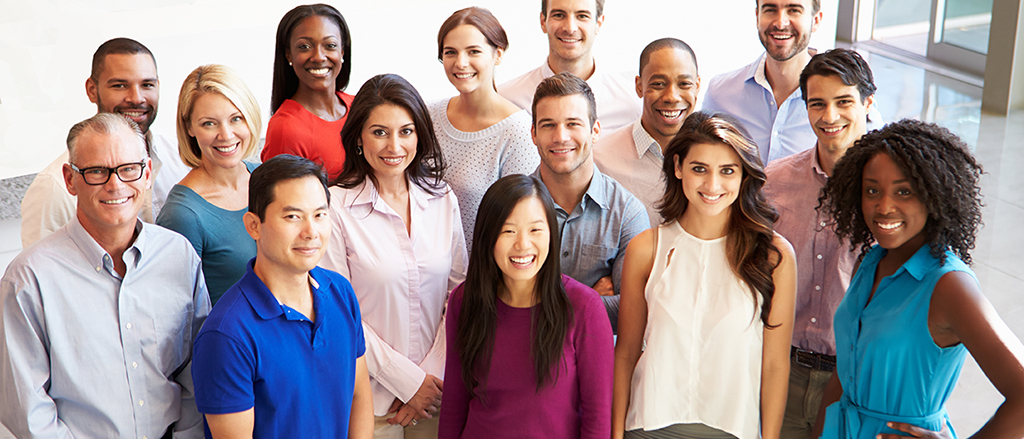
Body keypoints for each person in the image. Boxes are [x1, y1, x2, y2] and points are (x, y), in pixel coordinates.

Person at [0, 113, 210, 438]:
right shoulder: (28, 280)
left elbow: (195, 374)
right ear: (70, 179)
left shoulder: (179, 256)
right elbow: (28, 410)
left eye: (129, 169)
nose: (115, 185)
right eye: (97, 171)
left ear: (148, 173)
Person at [813, 119, 1024, 438]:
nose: (884, 207)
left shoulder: (949, 285)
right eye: (872, 190)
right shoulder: (869, 264)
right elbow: (846, 373)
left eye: (904, 191)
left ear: (933, 196)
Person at [613, 111, 797, 439]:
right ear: (678, 168)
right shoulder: (646, 249)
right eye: (700, 169)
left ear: (744, 176)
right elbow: (626, 352)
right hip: (647, 427)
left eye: (727, 171)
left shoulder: (773, 257)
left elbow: (775, 365)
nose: (712, 185)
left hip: (732, 430)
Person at [320, 73, 468, 438]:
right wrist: (406, 381)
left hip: (438, 393)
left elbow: (460, 294)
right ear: (358, 137)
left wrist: (427, 380)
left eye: (406, 131)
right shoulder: (334, 207)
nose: (394, 145)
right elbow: (339, 313)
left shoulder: (442, 198)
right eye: (379, 132)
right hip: (367, 401)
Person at [191, 154, 373, 439]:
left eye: (319, 215)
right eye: (292, 217)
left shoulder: (340, 292)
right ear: (253, 225)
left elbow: (359, 397)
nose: (310, 232)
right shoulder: (226, 335)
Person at [438, 174, 614, 439]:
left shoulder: (584, 307)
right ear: (488, 236)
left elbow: (597, 419)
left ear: (551, 234)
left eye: (535, 230)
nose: (523, 245)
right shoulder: (465, 301)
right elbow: (454, 401)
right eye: (508, 231)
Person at [761, 48, 875, 438]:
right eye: (817, 104)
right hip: (782, 369)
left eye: (843, 102)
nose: (829, 117)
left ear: (868, 103)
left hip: (854, 378)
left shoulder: (892, 192)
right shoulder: (773, 182)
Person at [20, 37, 190, 248]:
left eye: (147, 84)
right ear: (92, 90)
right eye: (120, 85)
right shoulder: (54, 186)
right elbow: (43, 272)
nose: (136, 98)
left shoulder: (182, 158)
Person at [529, 72, 649, 333]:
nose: (561, 137)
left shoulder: (627, 213)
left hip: (595, 368)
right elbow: (494, 301)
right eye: (548, 125)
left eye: (573, 124)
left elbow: (630, 312)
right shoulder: (510, 206)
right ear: (533, 133)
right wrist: (589, 297)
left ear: (595, 130)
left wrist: (537, 302)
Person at [430, 7, 540, 247]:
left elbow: (521, 223)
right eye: (451, 52)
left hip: (481, 275)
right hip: (425, 269)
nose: (461, 63)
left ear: (498, 54)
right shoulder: (428, 116)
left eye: (473, 51)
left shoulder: (518, 132)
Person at [157, 64, 261, 305]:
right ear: (190, 128)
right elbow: (176, 312)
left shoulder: (268, 179)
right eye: (209, 123)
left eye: (236, 119)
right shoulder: (182, 215)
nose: (226, 135)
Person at [595, 38, 701, 228]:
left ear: (697, 86)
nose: (671, 97)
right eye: (659, 84)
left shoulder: (718, 158)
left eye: (684, 84)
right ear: (639, 86)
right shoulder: (600, 161)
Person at [497, 0, 640, 132]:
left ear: (599, 23)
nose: (570, 28)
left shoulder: (632, 105)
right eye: (559, 15)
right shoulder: (506, 101)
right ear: (543, 21)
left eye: (582, 16)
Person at [262, 4, 354, 179]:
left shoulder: (360, 107)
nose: (319, 56)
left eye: (330, 45)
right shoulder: (286, 129)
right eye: (304, 46)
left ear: (342, 51)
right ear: (288, 54)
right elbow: (282, 202)